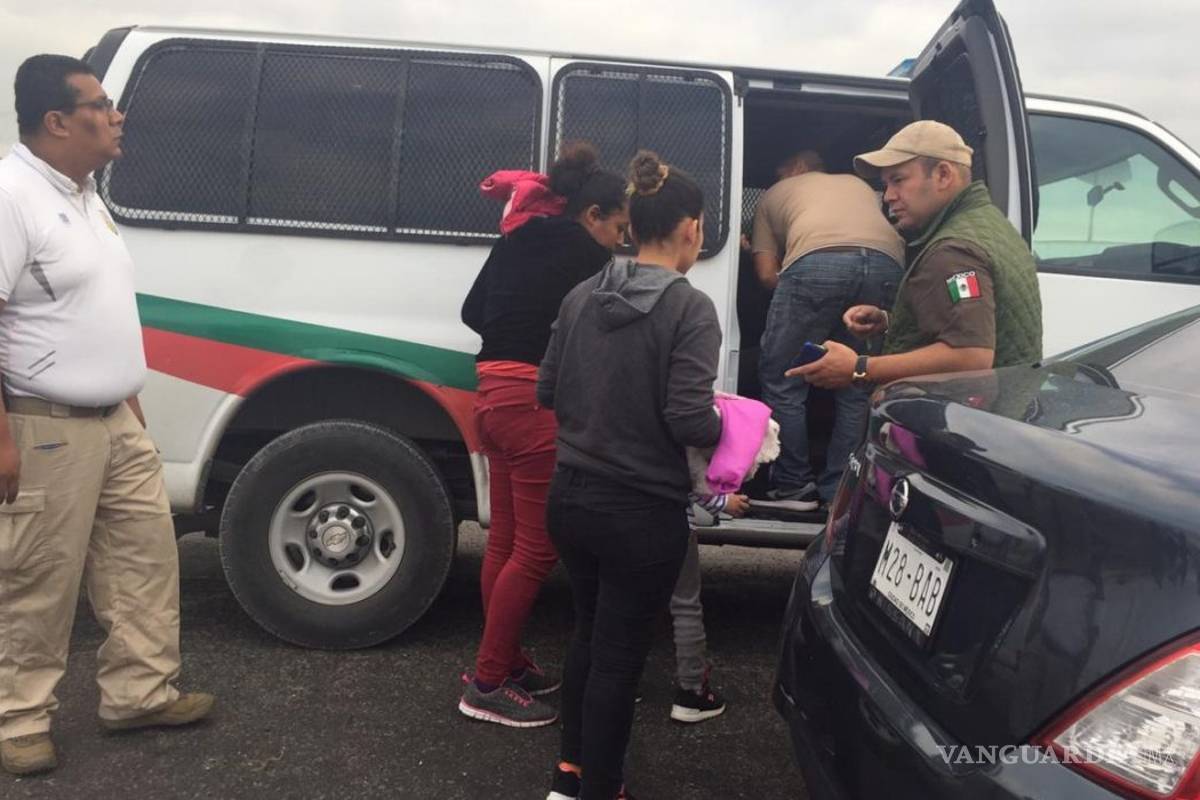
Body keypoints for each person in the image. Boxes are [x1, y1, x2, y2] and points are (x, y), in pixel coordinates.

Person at [0, 54, 214, 777]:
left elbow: (97, 312)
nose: (116, 114)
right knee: (38, 578)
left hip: (115, 421)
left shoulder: (87, 195)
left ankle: (139, 693)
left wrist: (131, 404)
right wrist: (3, 440)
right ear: (57, 121)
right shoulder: (12, 194)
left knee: (145, 562)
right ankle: (21, 721)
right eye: (99, 104)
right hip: (45, 425)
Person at [538, 151, 719, 800]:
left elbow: (548, 389)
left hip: (570, 500)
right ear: (692, 229)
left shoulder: (583, 294)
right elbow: (690, 418)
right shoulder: (689, 309)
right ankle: (602, 789)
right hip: (641, 514)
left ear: (632, 224)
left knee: (590, 634)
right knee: (618, 656)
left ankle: (569, 776)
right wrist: (741, 433)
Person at [458, 142, 629, 728]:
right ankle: (485, 683)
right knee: (535, 549)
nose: (620, 241)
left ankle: (502, 661)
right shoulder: (588, 256)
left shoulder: (519, 237)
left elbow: (472, 311)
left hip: (489, 395)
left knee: (504, 542)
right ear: (593, 216)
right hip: (533, 402)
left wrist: (518, 328)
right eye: (619, 228)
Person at [788, 121, 1043, 391]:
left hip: (968, 420)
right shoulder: (991, 225)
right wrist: (890, 321)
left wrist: (859, 368)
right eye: (885, 185)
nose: (888, 196)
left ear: (943, 175)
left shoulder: (956, 251)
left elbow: (971, 355)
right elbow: (967, 319)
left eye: (898, 180)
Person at [752, 150, 904, 510]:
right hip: (887, 262)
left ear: (799, 168)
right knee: (857, 383)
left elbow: (765, 275)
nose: (777, 172)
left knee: (784, 379)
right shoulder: (857, 185)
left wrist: (803, 300)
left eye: (781, 166)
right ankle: (840, 488)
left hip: (816, 260)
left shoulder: (773, 195)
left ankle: (792, 487)